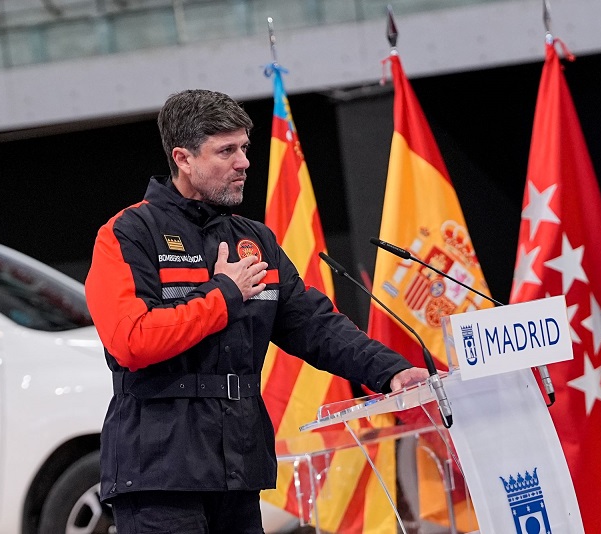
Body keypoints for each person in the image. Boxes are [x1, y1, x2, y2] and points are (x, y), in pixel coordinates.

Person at [85, 88, 429, 534]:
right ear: (183, 158)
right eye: (226, 150)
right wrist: (224, 294)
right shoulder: (128, 234)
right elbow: (132, 342)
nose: (244, 162)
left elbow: (315, 325)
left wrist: (391, 371)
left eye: (244, 148)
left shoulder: (257, 240)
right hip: (159, 475)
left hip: (238, 469)